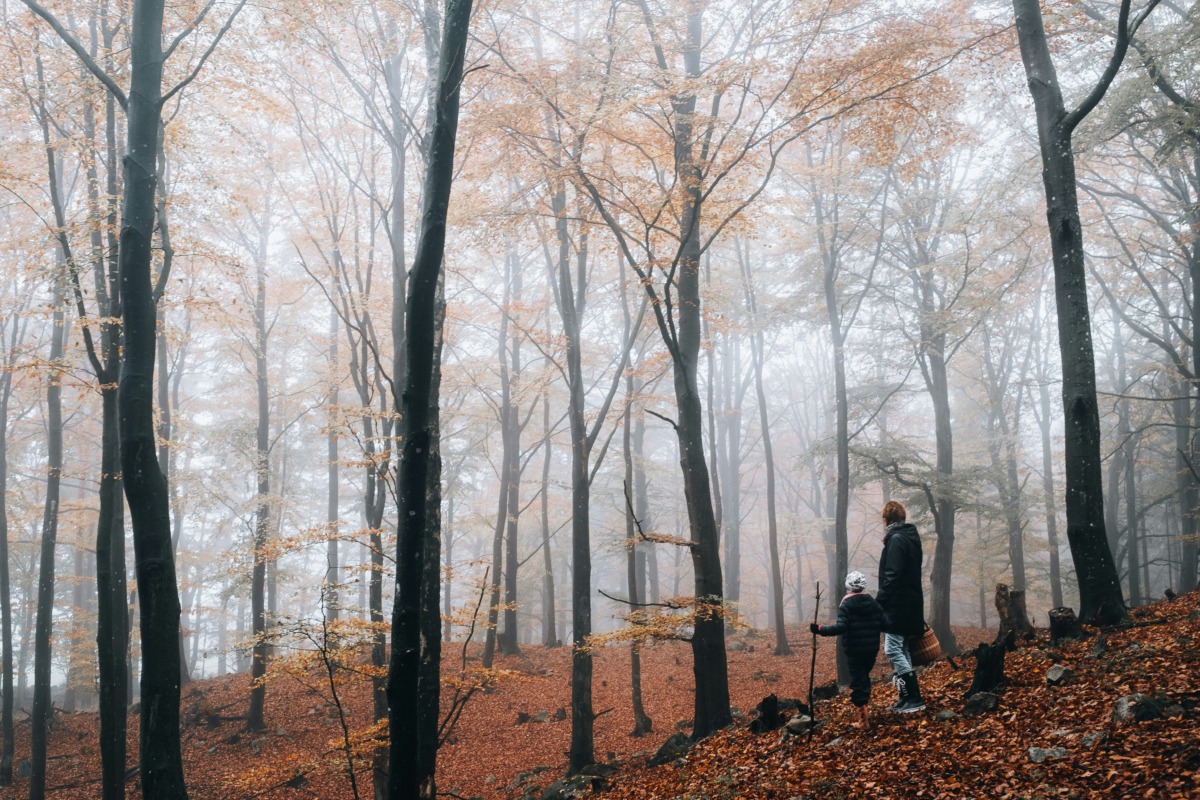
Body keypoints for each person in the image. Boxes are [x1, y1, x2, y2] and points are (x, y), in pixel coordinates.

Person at [811, 570, 884, 730]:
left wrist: (819, 629)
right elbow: (884, 623)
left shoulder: (846, 605)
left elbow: (841, 627)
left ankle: (863, 721)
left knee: (859, 682)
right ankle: (865, 712)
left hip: (854, 651)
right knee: (863, 678)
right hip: (872, 649)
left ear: (848, 587)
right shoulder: (873, 603)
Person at [875, 500, 926, 713]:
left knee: (892, 648)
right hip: (910, 603)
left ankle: (913, 697)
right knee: (902, 649)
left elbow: (892, 574)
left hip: (899, 605)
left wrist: (880, 601)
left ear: (886, 520)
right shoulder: (910, 538)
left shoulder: (896, 539)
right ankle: (906, 698)